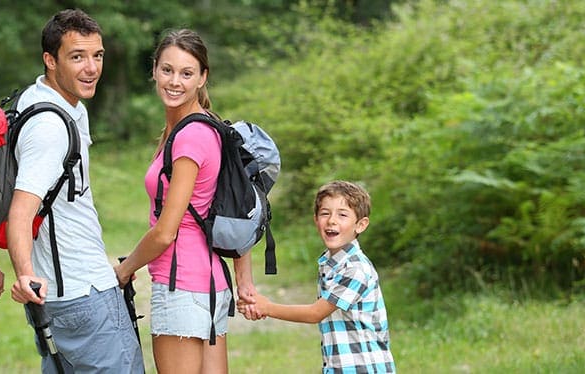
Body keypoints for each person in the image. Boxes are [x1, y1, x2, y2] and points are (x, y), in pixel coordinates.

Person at [0, 9, 144, 373]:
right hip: (85, 293)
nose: (91, 68)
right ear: (50, 60)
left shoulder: (30, 102)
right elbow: (19, 209)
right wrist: (24, 274)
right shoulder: (50, 128)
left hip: (54, 301)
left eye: (97, 56)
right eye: (77, 57)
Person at [114, 28, 258, 374]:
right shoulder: (208, 126)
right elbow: (231, 203)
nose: (174, 81)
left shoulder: (190, 137)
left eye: (186, 73)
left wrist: (124, 269)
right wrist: (243, 279)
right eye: (167, 70)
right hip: (209, 287)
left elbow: (166, 232)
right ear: (154, 70)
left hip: (182, 288)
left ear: (202, 78)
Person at [237, 180, 396, 373]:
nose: (332, 220)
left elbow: (315, 313)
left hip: (364, 367)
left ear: (361, 225)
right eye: (325, 213)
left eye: (342, 215)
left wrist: (267, 307)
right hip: (339, 366)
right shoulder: (329, 262)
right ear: (316, 220)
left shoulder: (356, 269)